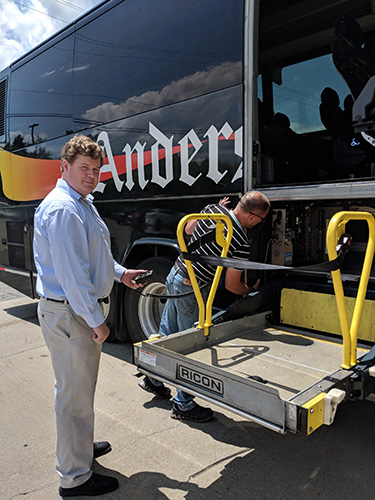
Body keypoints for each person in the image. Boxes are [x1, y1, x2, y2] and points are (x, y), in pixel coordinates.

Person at [33, 135, 146, 497]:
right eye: (84, 168)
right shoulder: (64, 209)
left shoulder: (81, 203)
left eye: (96, 170)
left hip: (73, 312)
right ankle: (74, 477)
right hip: (70, 314)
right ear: (64, 167)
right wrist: (97, 320)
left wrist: (120, 273)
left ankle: (80, 448)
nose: (91, 176)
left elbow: (93, 258)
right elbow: (73, 275)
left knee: (78, 393)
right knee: (73, 397)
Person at [139, 191, 270, 423]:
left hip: (175, 275)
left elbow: (188, 230)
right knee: (191, 344)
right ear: (251, 217)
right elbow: (232, 285)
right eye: (261, 220)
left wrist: (210, 212)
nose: (259, 225)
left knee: (167, 334)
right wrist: (249, 291)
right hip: (192, 289)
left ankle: (152, 378)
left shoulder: (212, 209)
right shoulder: (240, 241)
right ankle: (183, 404)